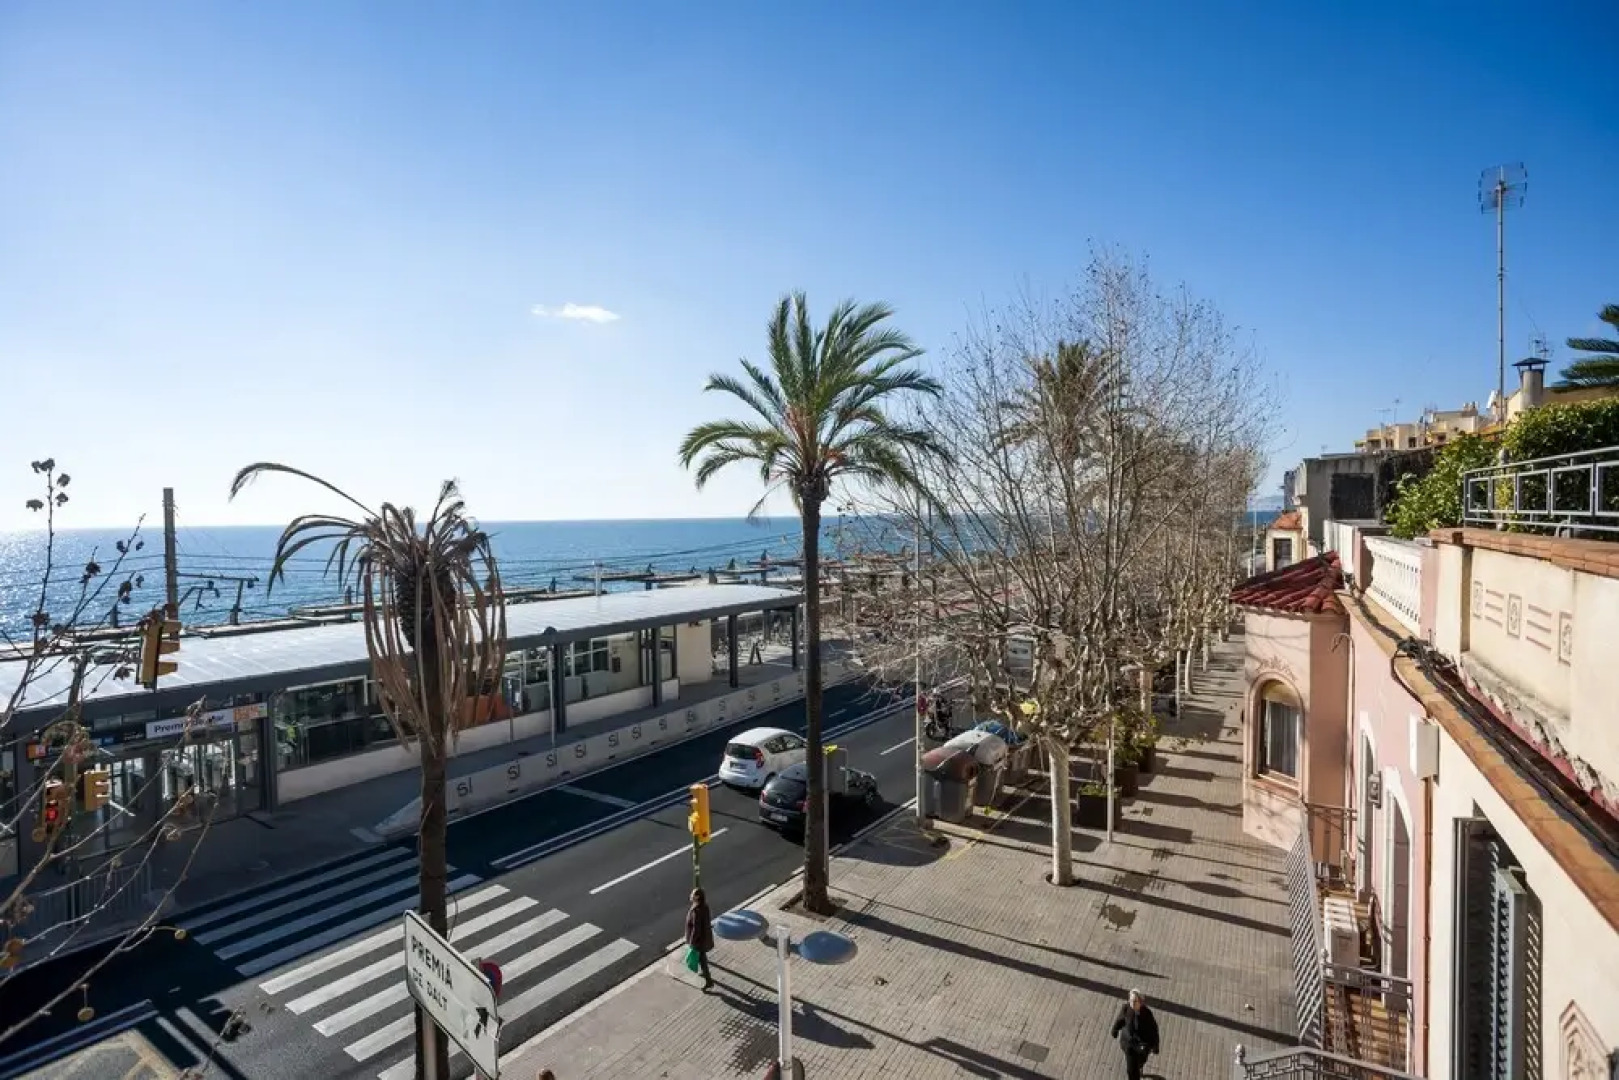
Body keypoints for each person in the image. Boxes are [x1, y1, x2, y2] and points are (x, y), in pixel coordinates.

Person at [1109, 989, 1160, 1080]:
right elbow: (1120, 1020)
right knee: (1131, 1070)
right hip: (1129, 1044)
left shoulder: (1147, 1014)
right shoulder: (1126, 1008)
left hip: (1142, 1045)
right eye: (1130, 1000)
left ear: (1140, 1001)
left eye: (1135, 1001)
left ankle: (1140, 1066)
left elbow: (1154, 1030)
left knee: (1141, 1061)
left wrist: (1155, 1046)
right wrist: (1115, 1030)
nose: (1132, 1003)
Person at [685, 887, 715, 990]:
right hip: (704, 938)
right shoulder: (704, 906)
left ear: (697, 897)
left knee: (702, 960)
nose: (691, 896)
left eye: (692, 894)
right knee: (702, 958)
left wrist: (692, 942)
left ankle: (709, 981)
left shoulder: (696, 911)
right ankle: (706, 975)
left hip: (699, 942)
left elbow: (695, 929)